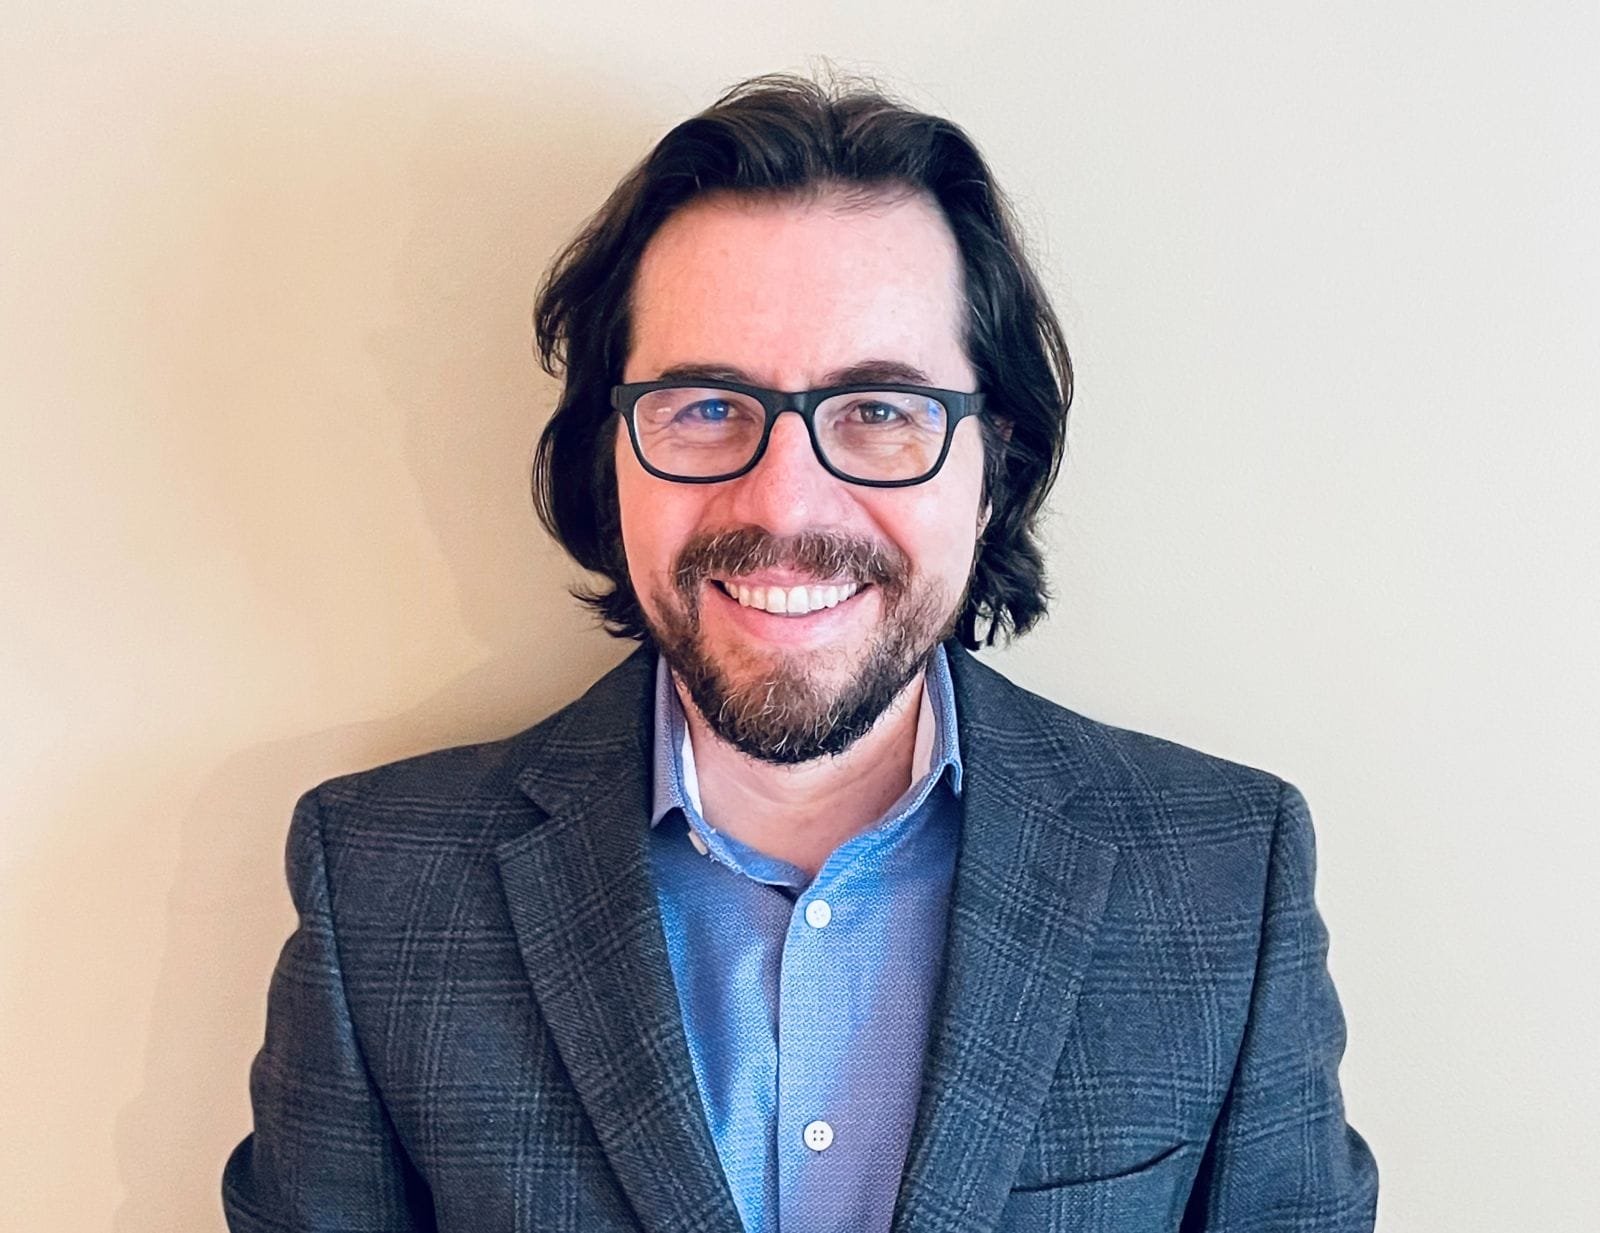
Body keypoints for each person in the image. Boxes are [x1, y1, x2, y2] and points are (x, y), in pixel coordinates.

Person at [223, 75, 1377, 1233]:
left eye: (878, 412)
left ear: (993, 469)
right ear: (609, 458)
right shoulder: (378, 887)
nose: (783, 503)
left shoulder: (1226, 875)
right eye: (704, 406)